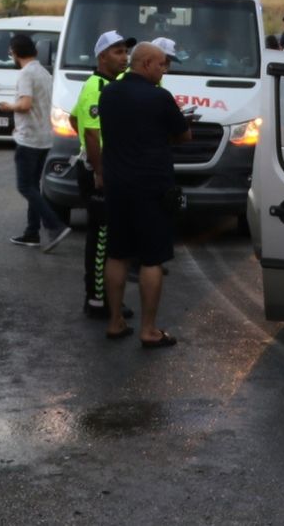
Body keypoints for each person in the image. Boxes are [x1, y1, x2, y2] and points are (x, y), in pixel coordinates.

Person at [97, 42, 190, 348]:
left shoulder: (108, 93)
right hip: (152, 186)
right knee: (152, 258)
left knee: (118, 253)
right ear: (147, 63)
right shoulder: (160, 97)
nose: (164, 70)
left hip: (117, 184)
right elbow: (183, 135)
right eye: (162, 65)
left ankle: (114, 321)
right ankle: (149, 329)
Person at [73, 30, 135, 319]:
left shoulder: (115, 82)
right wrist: (98, 168)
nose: (125, 57)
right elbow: (91, 132)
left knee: (112, 238)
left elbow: (74, 116)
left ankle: (109, 297)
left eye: (126, 51)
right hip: (100, 172)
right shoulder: (95, 87)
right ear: (102, 57)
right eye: (118, 52)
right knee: (101, 240)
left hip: (111, 167)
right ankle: (96, 300)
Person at [0, 34, 70, 252]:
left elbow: (25, 104)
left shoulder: (26, 74)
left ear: (14, 53)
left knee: (25, 186)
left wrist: (8, 107)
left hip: (29, 140)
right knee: (34, 186)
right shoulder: (43, 72)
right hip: (44, 138)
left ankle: (54, 225)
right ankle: (32, 233)